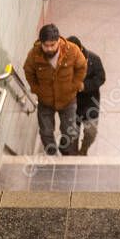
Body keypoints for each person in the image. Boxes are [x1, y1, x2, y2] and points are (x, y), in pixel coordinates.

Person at [23, 23, 87, 155]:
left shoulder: (72, 50)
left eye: (52, 45)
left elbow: (81, 67)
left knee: (70, 130)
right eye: (45, 45)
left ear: (58, 41)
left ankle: (66, 151)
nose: (49, 48)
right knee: (46, 131)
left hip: (68, 100)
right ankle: (51, 153)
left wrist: (74, 85)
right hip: (45, 101)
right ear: (41, 43)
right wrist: (36, 89)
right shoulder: (34, 55)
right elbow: (28, 71)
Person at [67, 36, 106, 155]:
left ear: (81, 49)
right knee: (72, 134)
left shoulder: (94, 60)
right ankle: (73, 155)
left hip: (90, 101)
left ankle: (83, 150)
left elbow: (101, 78)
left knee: (91, 132)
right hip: (71, 104)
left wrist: (85, 86)